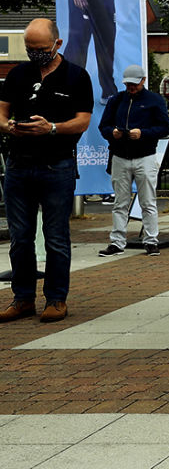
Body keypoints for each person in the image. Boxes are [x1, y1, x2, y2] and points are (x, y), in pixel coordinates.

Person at [0, 19, 93, 323]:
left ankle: (56, 299)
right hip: (19, 165)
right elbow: (1, 111)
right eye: (30, 48)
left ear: (57, 44)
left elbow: (82, 121)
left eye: (40, 48)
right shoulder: (17, 74)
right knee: (20, 237)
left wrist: (51, 128)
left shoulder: (76, 76)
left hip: (57, 166)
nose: (35, 53)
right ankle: (23, 298)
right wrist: (8, 126)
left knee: (55, 236)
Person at [97, 64, 169, 257]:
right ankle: (117, 242)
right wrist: (112, 133)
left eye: (134, 84)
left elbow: (165, 127)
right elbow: (103, 126)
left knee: (148, 202)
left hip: (145, 156)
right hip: (120, 156)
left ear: (143, 81)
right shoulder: (116, 100)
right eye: (128, 84)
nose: (131, 87)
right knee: (120, 203)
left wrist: (143, 133)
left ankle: (151, 241)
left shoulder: (155, 100)